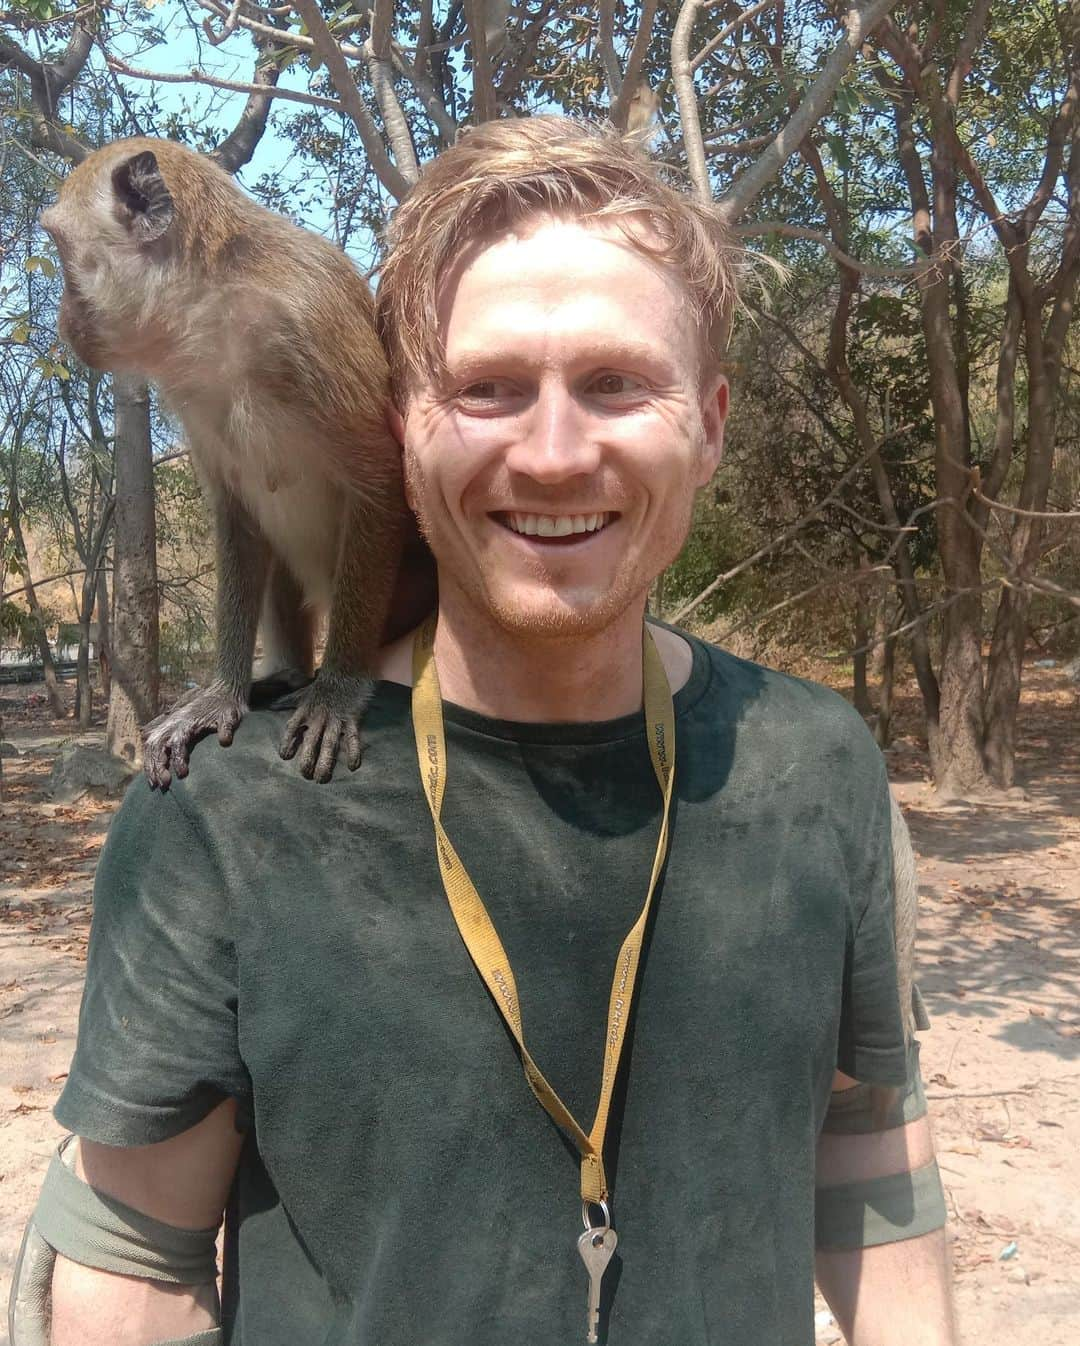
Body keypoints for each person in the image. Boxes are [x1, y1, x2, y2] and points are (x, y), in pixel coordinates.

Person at [12, 116, 954, 1346]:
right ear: (407, 422)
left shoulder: (820, 769)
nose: (555, 454)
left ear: (712, 422)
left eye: (618, 382)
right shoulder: (222, 812)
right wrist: (262, 685)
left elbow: (867, 1144)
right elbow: (128, 1262)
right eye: (489, 389)